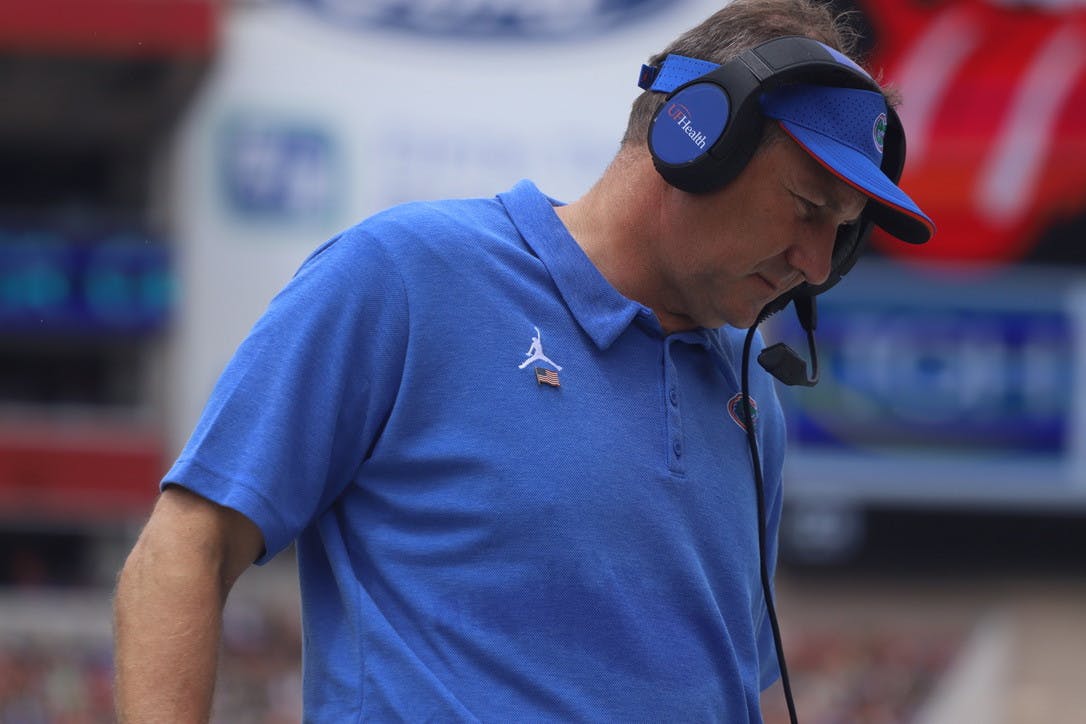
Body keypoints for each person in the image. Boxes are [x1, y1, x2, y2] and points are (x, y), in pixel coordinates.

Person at [113, 0, 934, 721]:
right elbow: (184, 545)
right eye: (807, 209)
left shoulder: (751, 392)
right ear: (698, 137)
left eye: (844, 232)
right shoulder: (404, 276)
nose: (819, 265)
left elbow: (742, 686)